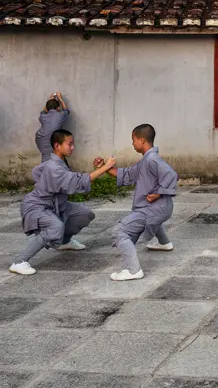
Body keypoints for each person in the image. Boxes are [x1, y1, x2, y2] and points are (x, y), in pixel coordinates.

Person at [9, 129, 115, 276]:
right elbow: (77, 181)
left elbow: (36, 172)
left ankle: (65, 242)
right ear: (57, 146)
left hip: (56, 204)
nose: (72, 147)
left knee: (85, 214)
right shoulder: (54, 166)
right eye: (69, 144)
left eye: (73, 144)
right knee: (55, 226)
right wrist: (105, 168)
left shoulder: (57, 162)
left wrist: (48, 185)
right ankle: (20, 261)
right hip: (37, 206)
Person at [105, 124, 178, 281]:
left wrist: (158, 193)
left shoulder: (152, 159)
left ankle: (133, 270)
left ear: (142, 140)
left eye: (133, 140)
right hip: (161, 209)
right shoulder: (146, 160)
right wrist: (104, 167)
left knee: (120, 232)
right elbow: (127, 174)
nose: (132, 144)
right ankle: (164, 243)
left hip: (153, 209)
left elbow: (171, 175)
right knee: (151, 220)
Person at [35, 92, 70, 163]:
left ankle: (63, 171)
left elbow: (43, 111)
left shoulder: (43, 116)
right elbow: (66, 110)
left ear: (47, 109)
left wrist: (50, 100)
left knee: (49, 157)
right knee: (50, 159)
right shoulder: (60, 115)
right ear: (58, 108)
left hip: (40, 138)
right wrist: (60, 99)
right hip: (50, 139)